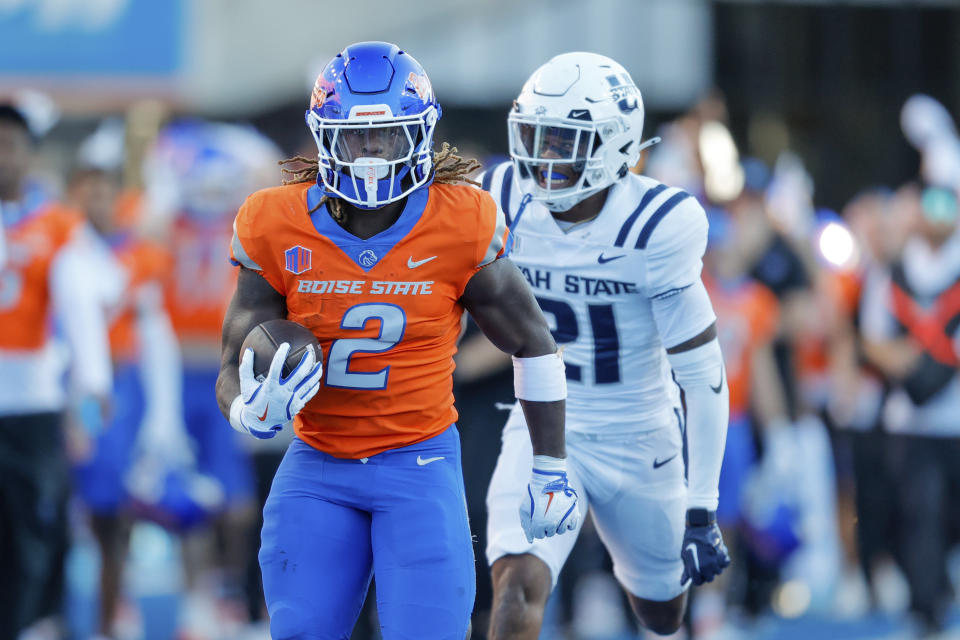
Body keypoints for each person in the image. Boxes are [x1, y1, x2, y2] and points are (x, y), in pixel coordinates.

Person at [216, 41, 580, 640]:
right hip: (318, 465)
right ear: (324, 138)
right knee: (302, 631)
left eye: (386, 137)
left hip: (420, 461)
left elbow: (534, 343)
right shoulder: (273, 222)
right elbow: (233, 361)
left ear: (421, 135)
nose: (369, 155)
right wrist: (246, 410)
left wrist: (549, 467)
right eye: (356, 138)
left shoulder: (461, 219)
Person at [481, 52, 731, 638]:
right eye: (536, 135)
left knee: (662, 611)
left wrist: (703, 505)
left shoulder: (656, 224)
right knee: (516, 585)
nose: (544, 157)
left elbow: (702, 373)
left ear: (614, 146)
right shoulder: (499, 196)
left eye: (564, 140)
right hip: (544, 427)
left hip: (639, 432)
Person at [0, 104, 116, 639]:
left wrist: (91, 388)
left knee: (33, 527)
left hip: (32, 400)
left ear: (28, 154)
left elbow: (87, 305)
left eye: (10, 145)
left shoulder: (56, 226)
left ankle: (28, 622)